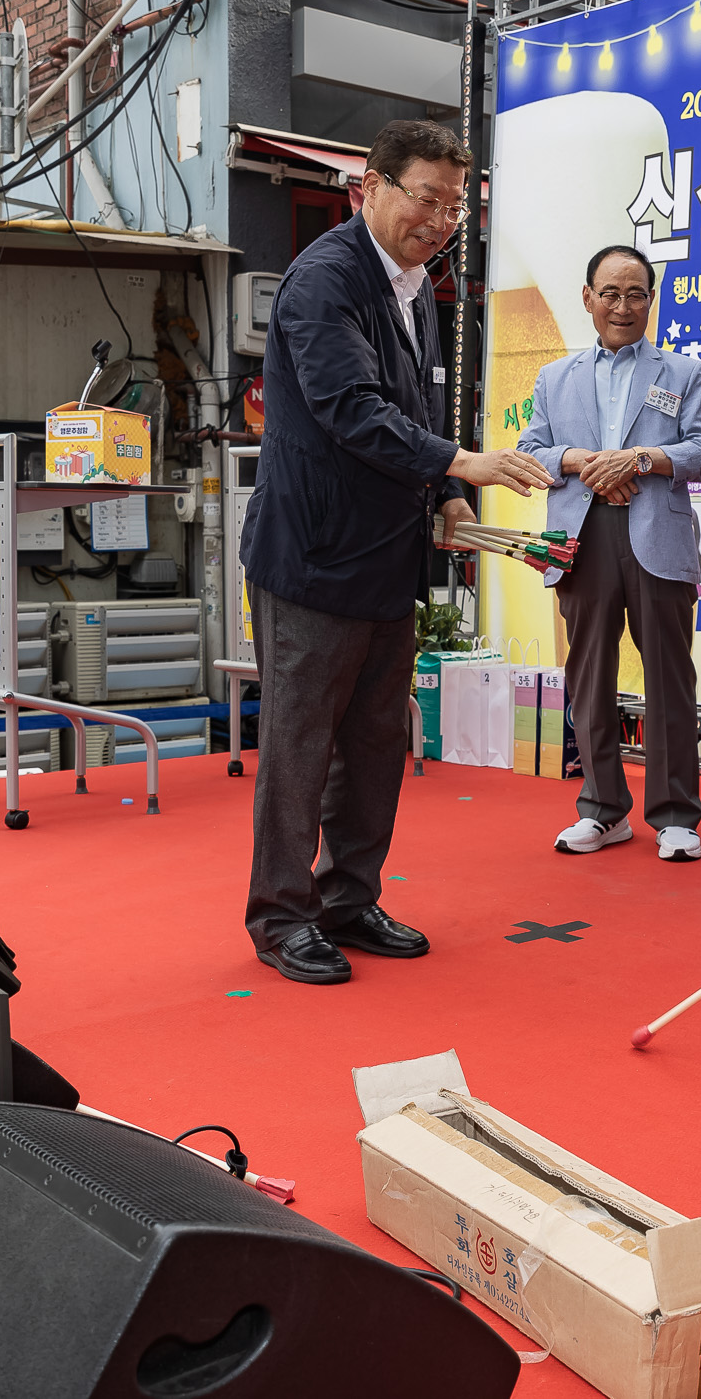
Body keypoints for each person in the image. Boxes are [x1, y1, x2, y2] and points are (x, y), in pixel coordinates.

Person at [238, 119, 550, 986]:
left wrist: (448, 494)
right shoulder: (325, 279)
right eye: (427, 198)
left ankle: (349, 896)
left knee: (377, 742)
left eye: (456, 205)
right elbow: (351, 408)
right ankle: (280, 915)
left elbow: (414, 411)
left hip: (383, 557)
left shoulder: (414, 289)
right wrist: (462, 462)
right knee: (303, 744)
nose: (443, 219)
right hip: (312, 557)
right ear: (367, 185)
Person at [514, 245, 701, 862]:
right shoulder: (555, 377)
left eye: (635, 294)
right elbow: (530, 451)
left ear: (651, 301)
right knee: (589, 675)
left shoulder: (683, 373)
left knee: (669, 677)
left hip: (656, 537)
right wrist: (582, 462)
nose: (622, 306)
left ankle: (676, 815)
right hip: (582, 538)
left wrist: (642, 460)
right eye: (610, 293)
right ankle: (602, 810)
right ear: (587, 298)